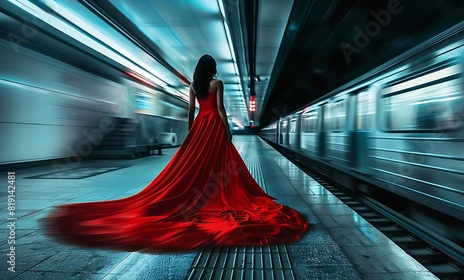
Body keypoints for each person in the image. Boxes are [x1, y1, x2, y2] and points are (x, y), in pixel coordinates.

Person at [42, 54, 308, 251]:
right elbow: (221, 110)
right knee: (220, 161)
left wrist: (191, 133)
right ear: (212, 69)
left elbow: (192, 112)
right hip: (214, 125)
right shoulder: (218, 85)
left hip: (201, 126)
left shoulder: (194, 87)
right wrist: (226, 130)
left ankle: (198, 195)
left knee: (196, 164)